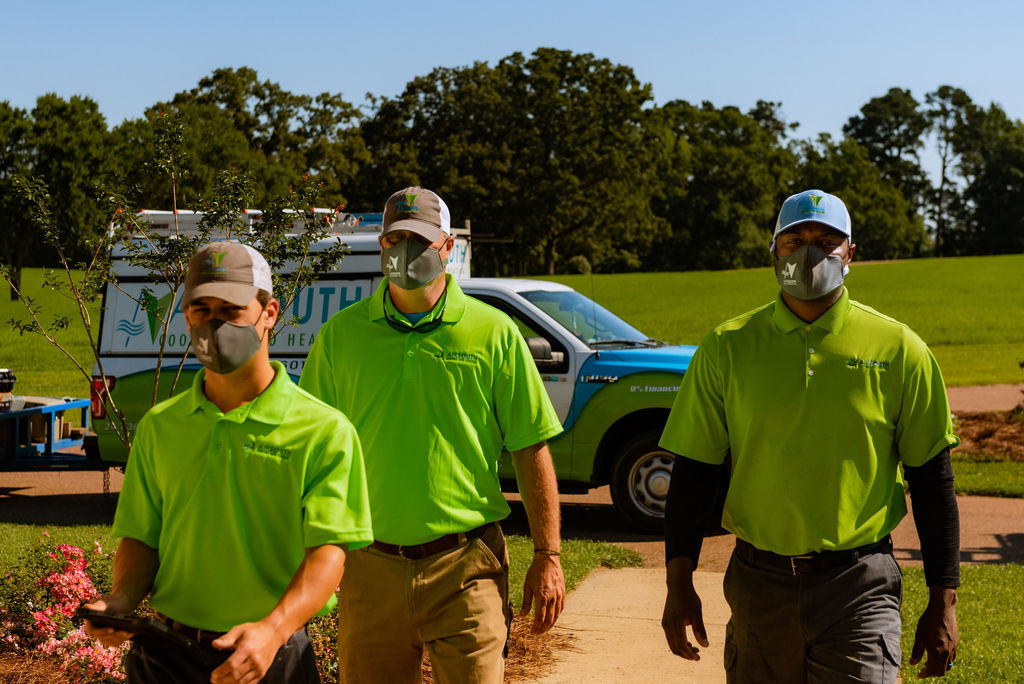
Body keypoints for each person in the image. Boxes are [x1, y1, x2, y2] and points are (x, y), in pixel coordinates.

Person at [659, 189, 961, 682]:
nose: (809, 251)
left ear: (851, 255)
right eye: (794, 239)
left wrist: (943, 601)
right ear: (773, 252)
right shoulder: (727, 347)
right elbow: (694, 472)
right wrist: (678, 584)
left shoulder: (900, 348)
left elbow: (932, 481)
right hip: (760, 583)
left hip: (860, 583)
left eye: (826, 240)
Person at [299, 186, 566, 683]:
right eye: (394, 238)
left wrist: (548, 555)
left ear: (447, 248)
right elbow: (314, 452)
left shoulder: (494, 332)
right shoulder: (341, 336)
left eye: (419, 240)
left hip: (467, 569)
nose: (404, 251)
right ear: (380, 244)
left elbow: (531, 447)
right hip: (368, 568)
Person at [84, 241, 373, 683]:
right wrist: (120, 599)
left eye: (232, 309)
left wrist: (273, 630)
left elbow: (328, 554)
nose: (215, 323)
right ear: (186, 316)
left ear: (269, 312)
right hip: (164, 655)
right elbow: (143, 538)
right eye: (202, 310)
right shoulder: (161, 426)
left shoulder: (323, 430)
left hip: (270, 657)